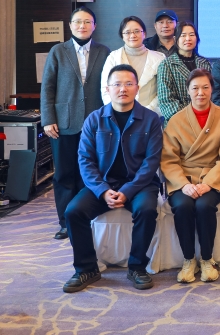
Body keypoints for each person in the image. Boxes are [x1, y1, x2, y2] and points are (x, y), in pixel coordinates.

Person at [62, 64, 163, 293]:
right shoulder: (94, 119)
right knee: (73, 211)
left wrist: (127, 191)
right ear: (107, 89)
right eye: (117, 84)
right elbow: (85, 160)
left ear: (137, 88)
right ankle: (86, 268)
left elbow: (151, 162)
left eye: (128, 84)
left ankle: (137, 267)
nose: (122, 89)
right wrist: (102, 190)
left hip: (139, 185)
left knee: (147, 210)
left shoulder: (151, 119)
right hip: (103, 184)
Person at [161, 69, 220, 284]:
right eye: (195, 88)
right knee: (183, 205)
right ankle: (188, 259)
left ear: (212, 89)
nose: (200, 93)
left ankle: (206, 259)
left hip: (213, 177)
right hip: (182, 179)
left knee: (204, 206)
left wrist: (209, 183)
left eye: (205, 87)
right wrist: (183, 184)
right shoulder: (176, 120)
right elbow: (168, 159)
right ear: (188, 91)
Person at [41, 7, 110, 240]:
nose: (82, 26)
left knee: (89, 174)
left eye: (87, 22)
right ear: (70, 25)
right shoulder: (58, 51)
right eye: (78, 22)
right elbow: (47, 87)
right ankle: (65, 223)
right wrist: (48, 119)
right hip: (64, 123)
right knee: (64, 174)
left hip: (94, 124)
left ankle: (87, 218)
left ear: (94, 26)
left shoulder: (104, 51)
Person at [101, 16, 166, 115]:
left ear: (144, 34)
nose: (132, 35)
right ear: (122, 36)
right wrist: (117, 112)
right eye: (127, 32)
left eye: (137, 31)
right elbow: (106, 89)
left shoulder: (159, 58)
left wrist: (147, 113)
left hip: (151, 116)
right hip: (119, 116)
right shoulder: (113, 57)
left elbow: (163, 91)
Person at [157, 21, 212, 122]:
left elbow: (212, 93)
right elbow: (166, 102)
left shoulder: (205, 63)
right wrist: (193, 116)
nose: (188, 38)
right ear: (175, 39)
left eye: (191, 35)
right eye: (183, 35)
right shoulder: (166, 65)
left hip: (206, 119)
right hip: (179, 122)